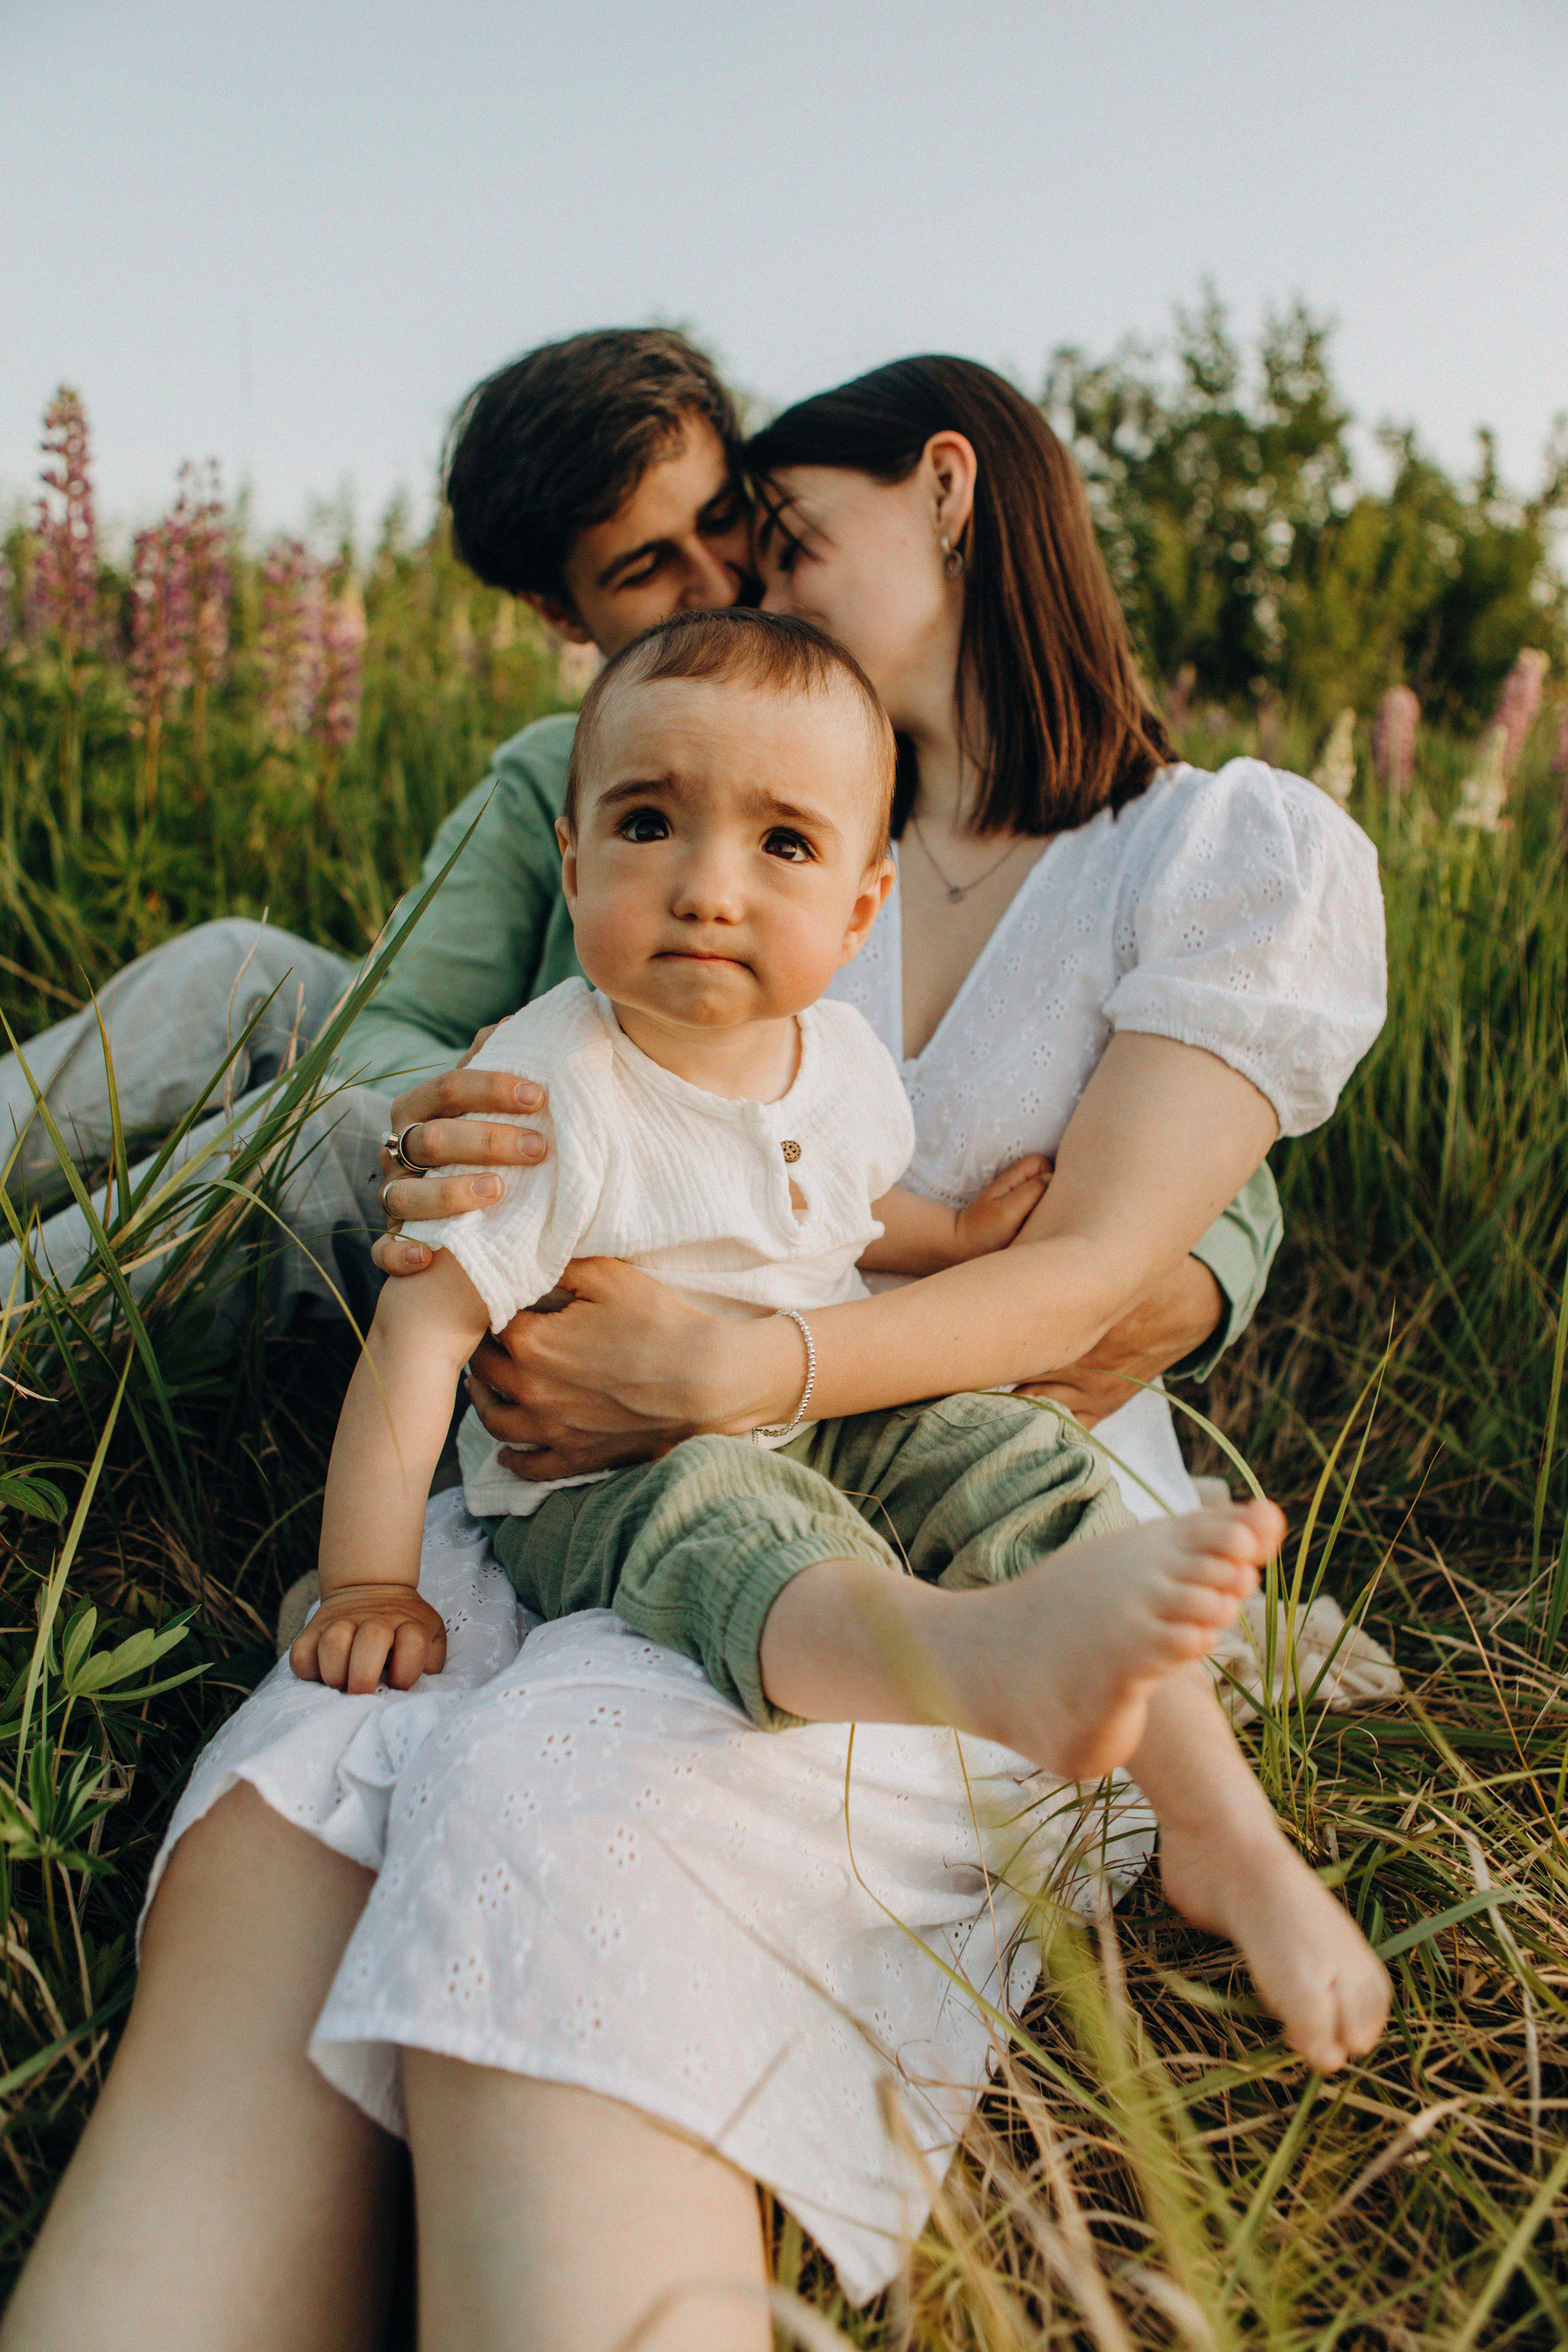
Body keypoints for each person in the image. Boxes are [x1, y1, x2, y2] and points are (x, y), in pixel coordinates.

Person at [4, 356, 1376, 2352]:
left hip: (918, 1479)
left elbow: (1123, 1244)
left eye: (781, 538)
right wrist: (471, 1164)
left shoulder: (1184, 847)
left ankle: (1168, 1804)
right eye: (705, 561)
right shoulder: (739, 838)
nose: (752, 585)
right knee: (311, 1798)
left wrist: (782, 1351)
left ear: (953, 492)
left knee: (571, 1809)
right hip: (584, 1451)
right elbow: (612, 1121)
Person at [290, 607, 1280, 1787]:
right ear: (574, 864)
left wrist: (955, 1235)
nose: (709, 889)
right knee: (729, 1522)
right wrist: (367, 1581)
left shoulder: (839, 1057)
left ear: (861, 911)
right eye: (649, 825)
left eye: (784, 846)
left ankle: (1211, 1810)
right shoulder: (549, 1088)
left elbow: (848, 1209)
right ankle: (971, 1659)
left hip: (815, 1414)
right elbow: (415, 1341)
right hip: (603, 1478)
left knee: (1006, 1442)